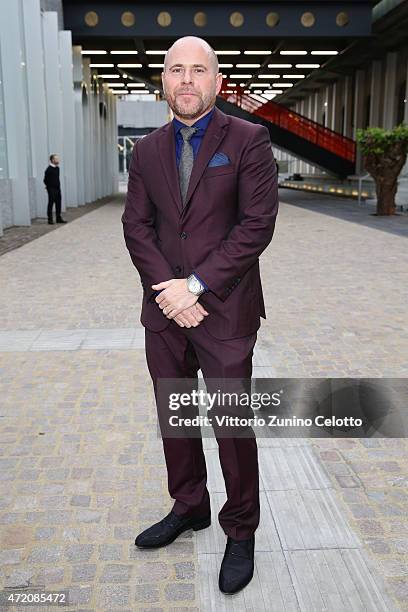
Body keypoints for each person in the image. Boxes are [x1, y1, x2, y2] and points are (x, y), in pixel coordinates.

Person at [121, 36, 279, 595]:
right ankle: (189, 506)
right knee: (177, 416)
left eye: (198, 70)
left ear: (217, 82)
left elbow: (255, 226)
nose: (187, 80)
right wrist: (169, 292)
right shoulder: (145, 151)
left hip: (226, 309)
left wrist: (194, 287)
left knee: (232, 424)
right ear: (163, 82)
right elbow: (136, 227)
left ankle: (241, 529)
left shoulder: (248, 139)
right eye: (176, 70)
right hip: (164, 310)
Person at [43, 154, 66, 224]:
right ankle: (50, 219)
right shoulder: (48, 169)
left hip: (58, 188)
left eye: (58, 159)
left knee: (58, 203)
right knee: (51, 204)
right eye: (56, 159)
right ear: (52, 160)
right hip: (51, 189)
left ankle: (58, 218)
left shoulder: (57, 168)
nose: (58, 160)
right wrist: (49, 187)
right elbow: (45, 180)